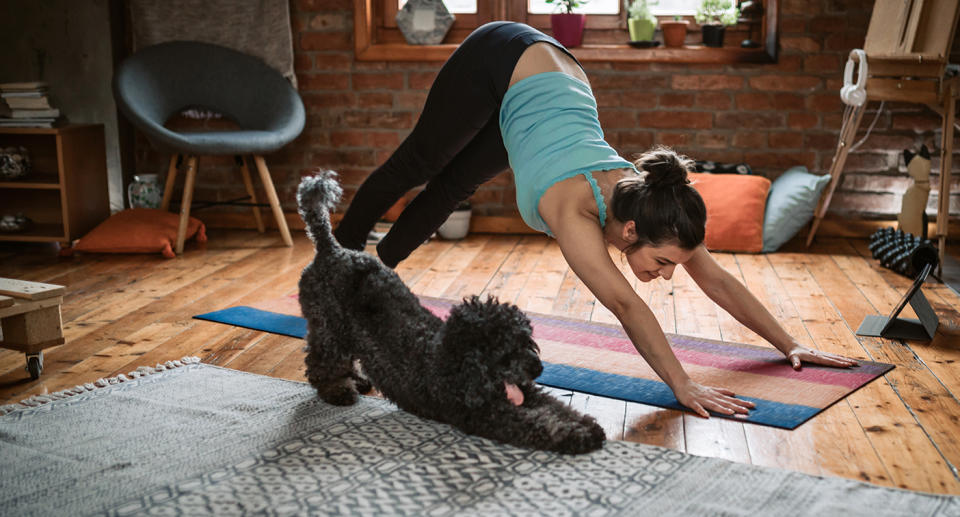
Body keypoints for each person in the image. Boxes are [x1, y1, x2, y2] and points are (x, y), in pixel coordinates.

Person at [333, 21, 857, 418]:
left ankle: (374, 268)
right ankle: (338, 260)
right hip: (502, 56)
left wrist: (789, 343)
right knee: (420, 165)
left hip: (550, 80)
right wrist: (682, 385)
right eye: (664, 263)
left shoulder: (655, 209)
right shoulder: (574, 211)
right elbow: (627, 305)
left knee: (454, 186)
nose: (668, 275)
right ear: (630, 233)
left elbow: (715, 277)